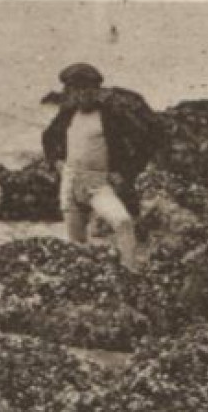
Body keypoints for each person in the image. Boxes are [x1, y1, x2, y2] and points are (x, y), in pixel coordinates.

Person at [40, 62, 162, 270]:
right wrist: (56, 162)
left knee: (122, 222)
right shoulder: (68, 114)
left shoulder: (110, 116)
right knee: (76, 243)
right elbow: (49, 138)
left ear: (97, 91)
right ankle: (82, 282)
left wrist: (125, 172)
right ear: (70, 92)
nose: (83, 95)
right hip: (69, 183)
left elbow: (145, 142)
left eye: (88, 89)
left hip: (97, 183)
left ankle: (129, 270)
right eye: (77, 90)